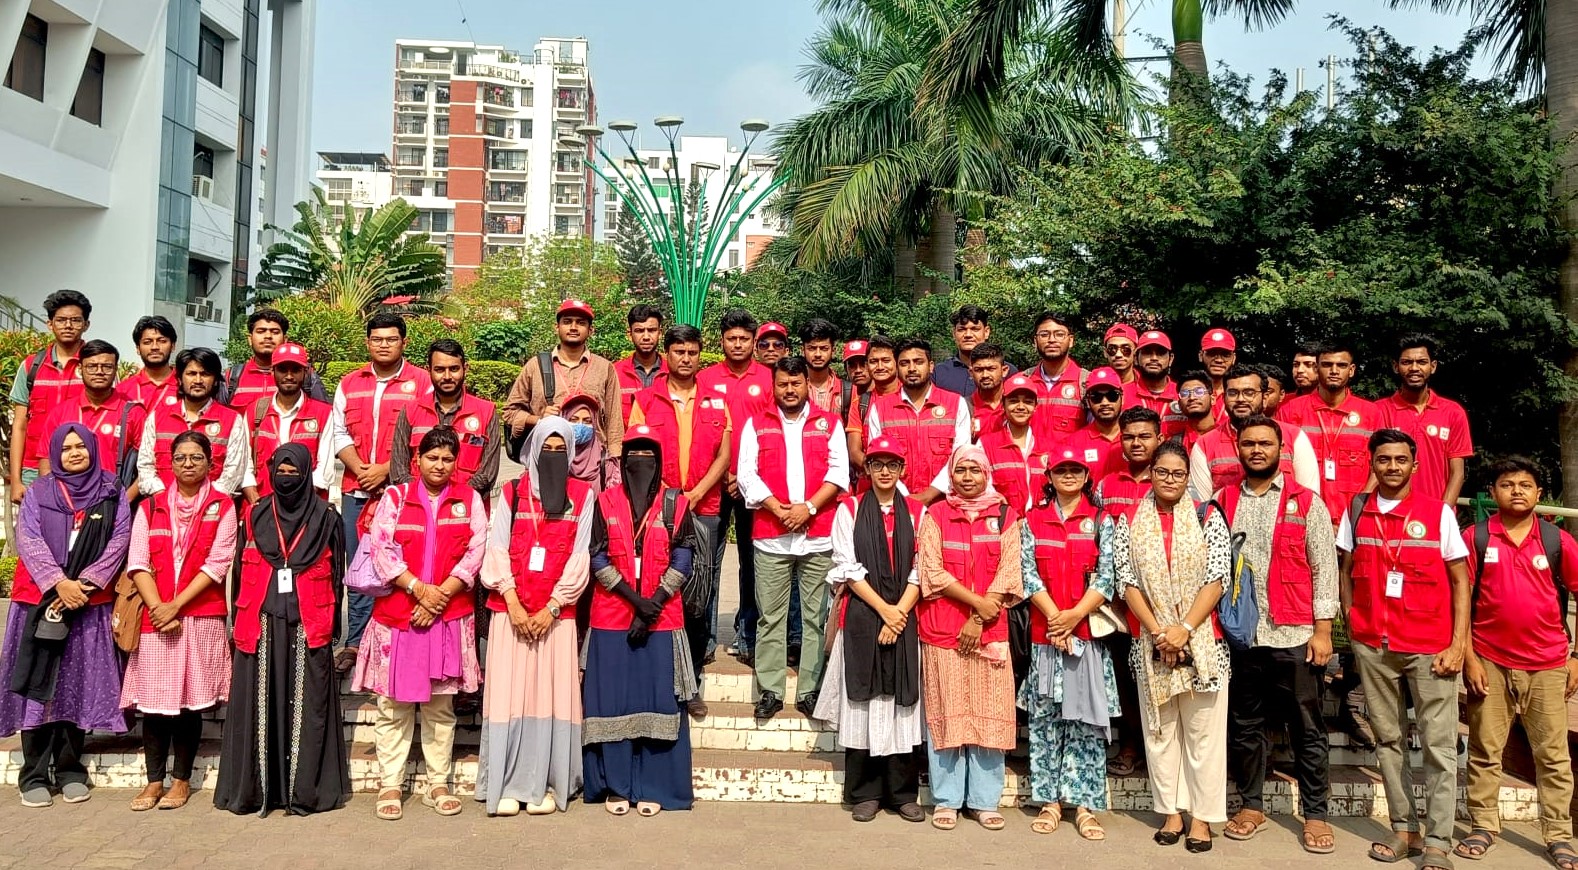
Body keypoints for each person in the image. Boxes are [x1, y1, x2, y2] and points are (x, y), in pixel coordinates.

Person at [1336, 428, 1470, 870]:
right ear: (1371, 464)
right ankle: (1404, 830)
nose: (1391, 467)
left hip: (1430, 647)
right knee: (1388, 740)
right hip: (1374, 644)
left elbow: (1460, 581)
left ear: (1415, 464)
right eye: (1383, 459)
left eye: (1400, 460)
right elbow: (1346, 569)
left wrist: (1458, 643)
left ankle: (1438, 842)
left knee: (1438, 746)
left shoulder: (1438, 513)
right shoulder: (1357, 510)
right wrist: (1352, 620)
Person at [1215, 415, 1339, 854]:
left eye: (1265, 443)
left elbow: (1324, 567)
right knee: (1245, 725)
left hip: (1295, 633)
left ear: (1280, 449)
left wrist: (1323, 631)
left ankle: (1316, 814)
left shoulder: (1306, 502)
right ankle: (1252, 806)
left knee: (1307, 727)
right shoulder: (1223, 500)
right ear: (1239, 448)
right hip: (1243, 636)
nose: (1256, 450)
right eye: (1249, 443)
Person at [353, 426, 486, 821]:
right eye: (432, 457)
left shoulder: (470, 499)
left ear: (456, 462)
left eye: (447, 459)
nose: (439, 465)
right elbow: (381, 548)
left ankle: (438, 783)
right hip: (399, 617)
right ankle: (390, 783)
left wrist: (438, 596)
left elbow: (476, 550)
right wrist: (417, 589)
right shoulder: (395, 498)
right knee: (392, 706)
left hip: (447, 617)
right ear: (417, 460)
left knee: (440, 707)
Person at [0, 423, 131, 808]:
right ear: (55, 453)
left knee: (76, 686)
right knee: (38, 684)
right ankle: (34, 774)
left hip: (87, 605)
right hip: (39, 602)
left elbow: (119, 539)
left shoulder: (111, 491)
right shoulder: (39, 492)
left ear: (93, 448)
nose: (75, 453)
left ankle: (71, 770)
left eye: (81, 446)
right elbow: (29, 540)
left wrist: (85, 585)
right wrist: (59, 583)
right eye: (67, 448)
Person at [215, 444, 350, 816]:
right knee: (259, 706)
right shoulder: (255, 513)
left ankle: (304, 792)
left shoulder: (327, 517)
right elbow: (238, 574)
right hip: (261, 622)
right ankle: (258, 792)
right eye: (281, 471)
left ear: (306, 474)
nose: (286, 478)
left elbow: (336, 577)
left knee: (308, 707)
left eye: (294, 472)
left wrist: (333, 625)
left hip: (308, 622)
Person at [1457, 457, 1578, 868]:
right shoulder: (1476, 537)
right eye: (1507, 485)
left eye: (1525, 485)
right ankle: (1483, 825)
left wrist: (1576, 658)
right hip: (1488, 660)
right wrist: (1469, 658)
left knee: (1553, 755)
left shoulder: (1557, 541)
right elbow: (1460, 602)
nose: (1517, 492)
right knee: (1485, 750)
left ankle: (1558, 834)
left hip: (1548, 662)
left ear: (1538, 493)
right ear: (1493, 492)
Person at [1114, 440, 1231, 853]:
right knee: (1160, 732)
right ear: (1150, 473)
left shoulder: (1206, 515)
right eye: (1161, 472)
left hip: (1202, 641)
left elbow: (1217, 576)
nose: (1169, 479)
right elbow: (1125, 581)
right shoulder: (1130, 518)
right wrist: (1160, 632)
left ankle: (1202, 817)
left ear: (1187, 478)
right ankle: (1172, 812)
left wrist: (1183, 628)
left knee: (1203, 735)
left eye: (1178, 473)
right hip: (1151, 642)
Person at [476, 418, 595, 817]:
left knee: (550, 698)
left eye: (562, 450)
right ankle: (507, 782)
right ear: (532, 451)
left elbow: (580, 557)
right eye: (547, 449)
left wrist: (553, 607)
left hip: (555, 618)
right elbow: (496, 549)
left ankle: (546, 781)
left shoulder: (583, 496)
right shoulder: (512, 492)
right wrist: (512, 601)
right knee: (509, 698)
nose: (554, 456)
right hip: (511, 615)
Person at [583, 425, 699, 816]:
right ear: (623, 460)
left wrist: (654, 603)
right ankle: (616, 785)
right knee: (614, 702)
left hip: (662, 619)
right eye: (634, 455)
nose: (641, 463)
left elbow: (683, 557)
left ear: (659, 461)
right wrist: (634, 601)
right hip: (611, 617)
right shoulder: (604, 502)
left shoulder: (675, 503)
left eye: (649, 456)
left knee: (657, 701)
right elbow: (597, 556)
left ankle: (656, 785)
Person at [813, 436, 926, 824]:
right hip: (864, 615)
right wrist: (885, 611)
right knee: (863, 703)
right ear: (867, 468)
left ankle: (902, 793)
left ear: (902, 469)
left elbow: (922, 567)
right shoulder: (849, 508)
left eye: (892, 464)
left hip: (905, 614)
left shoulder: (918, 512)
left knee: (901, 704)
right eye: (877, 464)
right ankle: (865, 792)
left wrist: (899, 613)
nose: (885, 471)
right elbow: (847, 566)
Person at [121, 431, 235, 812]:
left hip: (199, 617)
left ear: (210, 464)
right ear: (170, 463)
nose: (188, 463)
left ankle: (182, 780)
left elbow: (218, 564)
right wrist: (159, 607)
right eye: (181, 457)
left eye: (196, 457)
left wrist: (176, 606)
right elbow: (138, 562)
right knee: (154, 704)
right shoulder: (150, 507)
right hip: (156, 618)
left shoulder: (223, 506)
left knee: (188, 703)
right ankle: (154, 781)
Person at [916, 445, 1023, 831]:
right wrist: (978, 603)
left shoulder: (1006, 516)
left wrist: (978, 617)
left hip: (989, 632)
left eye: (974, 470)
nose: (967, 477)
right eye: (960, 470)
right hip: (943, 629)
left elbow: (1010, 571)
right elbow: (931, 570)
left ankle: (983, 800)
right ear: (950, 475)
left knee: (989, 715)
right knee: (947, 713)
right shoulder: (936, 515)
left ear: (986, 474)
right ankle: (946, 799)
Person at [738, 356, 849, 719]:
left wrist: (809, 509)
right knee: (770, 617)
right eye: (783, 384)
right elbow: (747, 475)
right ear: (774, 386)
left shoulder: (829, 423)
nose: (789, 390)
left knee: (815, 617)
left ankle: (810, 689)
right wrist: (779, 509)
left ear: (806, 385)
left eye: (796, 383)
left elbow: (839, 473)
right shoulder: (756, 424)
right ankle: (770, 690)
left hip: (818, 536)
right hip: (771, 536)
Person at [1019, 448, 1121, 841]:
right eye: (1061, 470)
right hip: (1046, 638)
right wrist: (1056, 619)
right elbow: (1027, 575)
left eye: (1075, 470)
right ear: (1049, 476)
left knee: (1085, 723)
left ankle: (1084, 805)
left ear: (1086, 476)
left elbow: (1107, 576)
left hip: (1085, 639)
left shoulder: (1101, 521)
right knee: (1046, 723)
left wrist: (1073, 616)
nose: (1068, 475)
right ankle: (1049, 802)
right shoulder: (1032, 521)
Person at [629, 324, 730, 715]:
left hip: (704, 511)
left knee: (698, 598)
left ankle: (692, 685)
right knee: (658, 591)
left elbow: (724, 456)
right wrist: (669, 496)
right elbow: (639, 454)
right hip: (659, 511)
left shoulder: (717, 400)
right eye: (679, 352)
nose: (685, 358)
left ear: (700, 355)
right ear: (667, 355)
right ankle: (655, 679)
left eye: (692, 352)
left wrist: (696, 493)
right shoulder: (645, 399)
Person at [324, 313, 433, 674]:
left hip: (403, 492)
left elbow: (425, 437)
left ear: (404, 342)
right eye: (377, 339)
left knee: (402, 567)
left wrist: (385, 470)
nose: (384, 345)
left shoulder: (422, 382)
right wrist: (361, 470)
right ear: (367, 342)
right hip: (356, 491)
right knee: (360, 569)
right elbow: (338, 433)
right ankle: (355, 643)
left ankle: (397, 641)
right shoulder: (350, 383)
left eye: (391, 339)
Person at [697, 309, 773, 665]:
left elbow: (770, 433)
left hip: (753, 486)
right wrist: (724, 474)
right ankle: (706, 639)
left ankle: (748, 637)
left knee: (751, 561)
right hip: (713, 483)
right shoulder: (705, 379)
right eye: (731, 338)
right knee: (708, 562)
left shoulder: (769, 379)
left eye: (744, 338)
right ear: (721, 341)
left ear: (753, 342)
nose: (738, 344)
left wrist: (744, 478)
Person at [1090, 406, 1162, 778]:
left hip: (1161, 598)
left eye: (1144, 436)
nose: (1136, 443)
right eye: (1129, 437)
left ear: (1159, 439)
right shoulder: (1106, 485)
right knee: (1124, 675)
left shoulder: (1170, 480)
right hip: (1118, 603)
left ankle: (1161, 749)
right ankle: (1132, 745)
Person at [503, 298, 624, 468]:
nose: (573, 327)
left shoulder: (604, 368)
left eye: (580, 322)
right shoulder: (536, 366)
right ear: (557, 327)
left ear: (591, 330)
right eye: (567, 322)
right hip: (547, 460)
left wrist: (614, 464)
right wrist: (538, 419)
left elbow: (614, 421)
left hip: (593, 466)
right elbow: (509, 413)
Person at [1279, 341, 1382, 529]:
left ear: (1351, 370)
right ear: (1316, 369)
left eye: (1341, 365)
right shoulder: (1289, 411)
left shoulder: (1371, 414)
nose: (1334, 371)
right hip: (1304, 517)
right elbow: (1283, 471)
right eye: (1327, 365)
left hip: (1356, 518)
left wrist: (1359, 508)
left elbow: (1379, 466)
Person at [1188, 365, 1320, 500]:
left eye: (1249, 393)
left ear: (1265, 397)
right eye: (1233, 393)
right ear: (1224, 398)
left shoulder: (1294, 437)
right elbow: (1202, 505)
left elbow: (1309, 499)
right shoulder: (1205, 444)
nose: (1240, 399)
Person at [389, 339, 501, 497]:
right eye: (439, 369)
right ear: (429, 370)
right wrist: (426, 499)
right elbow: (398, 469)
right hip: (416, 504)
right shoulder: (410, 411)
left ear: (465, 368)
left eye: (454, 369)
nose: (447, 376)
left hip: (467, 506)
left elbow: (487, 474)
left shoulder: (486, 412)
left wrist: (453, 499)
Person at [866, 338, 972, 505]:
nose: (912, 368)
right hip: (895, 503)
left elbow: (961, 455)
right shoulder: (880, 409)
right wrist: (905, 498)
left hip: (946, 503)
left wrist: (930, 494)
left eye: (918, 362)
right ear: (897, 368)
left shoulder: (956, 403)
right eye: (904, 363)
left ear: (931, 366)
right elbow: (877, 458)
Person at [40, 339, 145, 499]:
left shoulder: (133, 412)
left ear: (116, 369)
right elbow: (45, 459)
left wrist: (124, 501)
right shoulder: (61, 412)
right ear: (80, 369)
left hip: (111, 500)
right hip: (67, 501)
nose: (99, 372)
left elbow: (148, 464)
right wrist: (56, 499)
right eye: (92, 366)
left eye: (107, 366)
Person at [10, 289, 89, 502]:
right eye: (61, 320)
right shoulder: (31, 366)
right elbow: (19, 426)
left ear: (86, 325)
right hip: (32, 471)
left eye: (75, 320)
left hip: (82, 472)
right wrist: (16, 480)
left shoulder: (95, 367)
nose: (68, 325)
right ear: (50, 324)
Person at [136, 348, 249, 497]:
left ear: (216, 380)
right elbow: (145, 466)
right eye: (191, 374)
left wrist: (204, 500)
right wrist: (165, 497)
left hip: (213, 506)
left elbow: (234, 473)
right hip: (162, 504)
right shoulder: (157, 417)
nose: (198, 380)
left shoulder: (232, 420)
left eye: (205, 374)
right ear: (179, 379)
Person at [1377, 334, 1472, 506]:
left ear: (1432, 366)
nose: (1414, 368)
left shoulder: (1453, 412)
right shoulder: (1378, 410)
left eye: (1421, 362)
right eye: (1407, 362)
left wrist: (1442, 513)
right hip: (1390, 511)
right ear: (1396, 366)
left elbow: (1457, 473)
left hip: (1435, 510)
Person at [241, 342, 331, 502]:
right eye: (282, 370)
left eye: (295, 370)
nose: (289, 376)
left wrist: (300, 503)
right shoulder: (255, 411)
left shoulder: (323, 413)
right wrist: (255, 501)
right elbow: (244, 462)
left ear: (305, 372)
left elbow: (325, 468)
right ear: (272, 372)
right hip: (262, 502)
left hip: (307, 504)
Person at [220, 308, 329, 409]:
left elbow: (323, 415)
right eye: (261, 331)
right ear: (250, 339)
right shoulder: (231, 378)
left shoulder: (306, 376)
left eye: (275, 332)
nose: (268, 336)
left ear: (285, 340)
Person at [978, 374, 1040, 513]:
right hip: (1002, 521)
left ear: (1035, 406)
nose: (1021, 407)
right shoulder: (985, 445)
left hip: (1041, 523)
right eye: (1013, 401)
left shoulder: (1049, 447)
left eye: (1028, 402)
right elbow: (981, 488)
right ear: (1003, 405)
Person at [1057, 367, 1126, 482]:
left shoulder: (1135, 440)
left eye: (1112, 396)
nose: (1105, 403)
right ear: (1088, 402)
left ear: (1122, 398)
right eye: (1096, 397)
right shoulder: (1072, 444)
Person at [845, 335, 900, 474]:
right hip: (871, 480)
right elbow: (854, 451)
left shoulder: (910, 397)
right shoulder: (860, 404)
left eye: (886, 361)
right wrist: (878, 471)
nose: (880, 367)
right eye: (874, 361)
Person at [1028, 312, 1087, 438]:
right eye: (1044, 335)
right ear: (1035, 341)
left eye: (1059, 334)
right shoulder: (1023, 382)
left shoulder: (1086, 383)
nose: (1051, 340)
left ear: (1071, 340)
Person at [1122, 330, 1187, 439]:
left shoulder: (1183, 394)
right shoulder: (1121, 395)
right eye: (1147, 352)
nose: (1154, 358)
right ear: (1136, 358)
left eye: (1160, 353)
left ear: (1171, 359)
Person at [935, 305, 1012, 396]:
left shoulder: (1007, 372)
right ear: (954, 333)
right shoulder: (938, 373)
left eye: (975, 329)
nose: (968, 335)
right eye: (962, 329)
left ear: (986, 332)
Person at [613, 304, 667, 426]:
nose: (646, 337)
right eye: (639, 331)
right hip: (627, 438)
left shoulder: (672, 373)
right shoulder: (615, 373)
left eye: (651, 330)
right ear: (629, 334)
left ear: (660, 333)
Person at [118, 315, 179, 410]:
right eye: (147, 342)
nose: (155, 347)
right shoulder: (123, 390)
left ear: (173, 346)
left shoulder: (185, 386)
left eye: (162, 341)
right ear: (138, 348)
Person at [561, 394, 617, 488]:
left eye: (587, 421)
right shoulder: (556, 459)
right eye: (574, 420)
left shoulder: (606, 464)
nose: (580, 425)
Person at [801, 318, 843, 415]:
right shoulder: (792, 387)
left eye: (824, 348)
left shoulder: (847, 390)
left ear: (833, 351)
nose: (818, 354)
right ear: (803, 351)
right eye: (812, 348)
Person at [967, 343, 1010, 438]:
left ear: (1004, 370)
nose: (985, 375)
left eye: (991, 369)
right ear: (971, 373)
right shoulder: (964, 408)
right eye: (979, 370)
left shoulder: (1016, 405)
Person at [1199, 329, 1237, 425]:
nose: (1219, 360)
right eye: (1212, 354)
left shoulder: (1241, 395)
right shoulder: (1189, 393)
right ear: (1201, 356)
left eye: (1225, 355)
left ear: (1234, 358)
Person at [1175, 370, 1217, 454]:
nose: (1192, 397)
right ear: (1179, 404)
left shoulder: (1229, 436)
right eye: (1185, 393)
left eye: (1199, 392)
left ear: (1213, 399)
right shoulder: (1174, 443)